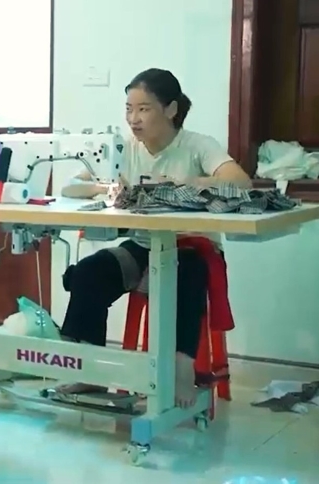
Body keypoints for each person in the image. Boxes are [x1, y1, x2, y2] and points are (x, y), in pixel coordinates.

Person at [58, 68, 252, 408]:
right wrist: (109, 188)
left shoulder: (197, 145)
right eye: (128, 109)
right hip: (144, 246)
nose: (133, 118)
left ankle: (181, 370)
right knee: (89, 272)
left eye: (143, 109)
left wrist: (188, 184)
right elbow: (70, 186)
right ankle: (90, 369)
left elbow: (241, 182)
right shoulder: (125, 149)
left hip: (191, 246)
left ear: (171, 109)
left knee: (185, 271)